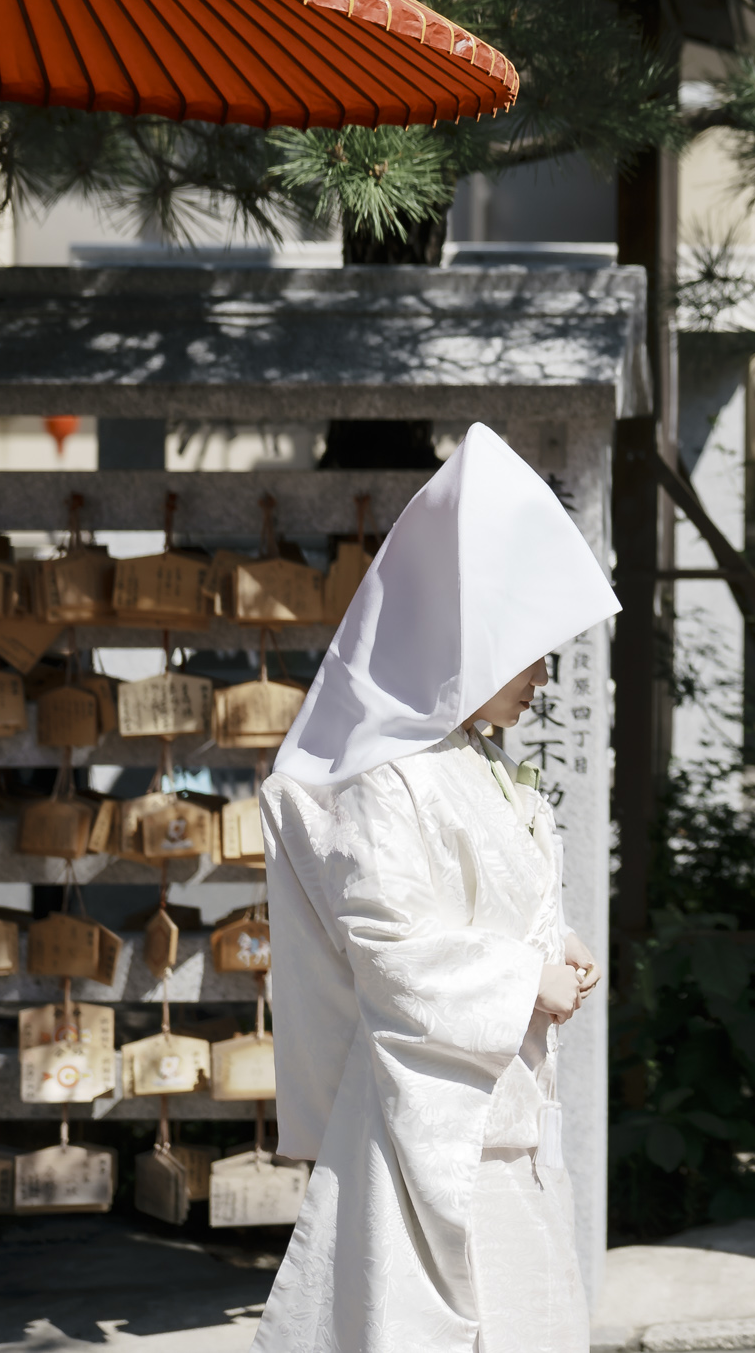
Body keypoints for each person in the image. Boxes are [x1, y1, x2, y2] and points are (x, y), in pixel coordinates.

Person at [252, 423, 620, 1353]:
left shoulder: (482, 764)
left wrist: (557, 942)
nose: (542, 674)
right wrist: (521, 981)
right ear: (464, 648)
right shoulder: (385, 776)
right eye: (528, 652)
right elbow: (391, 945)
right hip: (437, 1116)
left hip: (507, 1102)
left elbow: (504, 903)